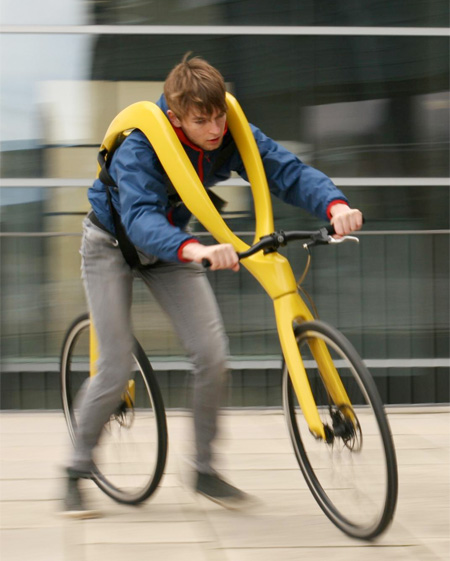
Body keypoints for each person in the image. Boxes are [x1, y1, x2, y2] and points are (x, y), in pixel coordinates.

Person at [62, 53, 363, 518]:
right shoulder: (141, 145)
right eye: (202, 120)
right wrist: (196, 250)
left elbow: (285, 170)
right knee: (116, 363)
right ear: (175, 117)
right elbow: (140, 219)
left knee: (213, 354)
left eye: (219, 115)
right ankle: (76, 469)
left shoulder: (227, 133)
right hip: (112, 245)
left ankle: (203, 468)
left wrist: (334, 205)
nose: (216, 129)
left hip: (174, 249)